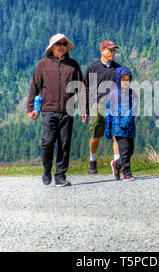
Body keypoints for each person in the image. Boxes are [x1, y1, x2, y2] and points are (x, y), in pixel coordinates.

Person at [27, 33, 87, 187]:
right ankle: (47, 169)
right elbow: (34, 87)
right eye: (58, 44)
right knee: (47, 142)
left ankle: (60, 176)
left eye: (64, 44)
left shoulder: (73, 65)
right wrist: (31, 109)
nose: (61, 46)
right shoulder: (42, 65)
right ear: (52, 47)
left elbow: (80, 88)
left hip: (68, 110)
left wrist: (84, 108)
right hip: (48, 110)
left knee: (64, 144)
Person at [84, 40, 122, 174]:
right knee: (96, 136)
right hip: (97, 106)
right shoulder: (93, 67)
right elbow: (86, 88)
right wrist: (87, 108)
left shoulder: (118, 68)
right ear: (102, 51)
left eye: (113, 51)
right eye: (109, 50)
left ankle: (117, 163)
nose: (112, 53)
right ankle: (92, 159)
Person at [105, 67, 138, 181]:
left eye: (127, 79)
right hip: (118, 128)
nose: (125, 81)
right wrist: (108, 129)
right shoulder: (113, 94)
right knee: (124, 150)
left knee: (130, 151)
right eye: (123, 79)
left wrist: (126, 119)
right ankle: (126, 173)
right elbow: (108, 112)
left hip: (129, 127)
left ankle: (116, 165)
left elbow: (134, 108)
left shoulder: (132, 94)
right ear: (117, 80)